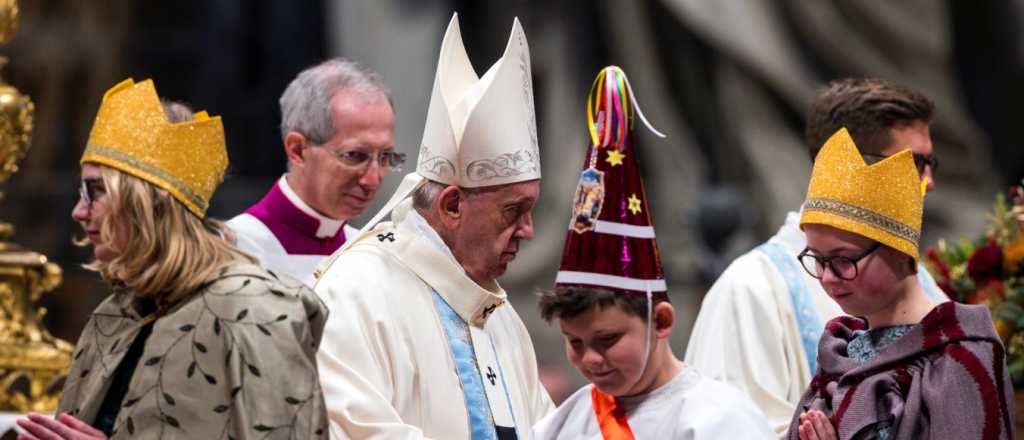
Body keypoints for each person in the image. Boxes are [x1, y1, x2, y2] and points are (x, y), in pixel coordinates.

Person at [16, 79, 328, 439]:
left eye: (95, 190)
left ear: (147, 201)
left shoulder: (256, 309)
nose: (78, 212)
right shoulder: (113, 315)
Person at [313, 14, 553, 439]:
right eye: (513, 211)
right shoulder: (355, 292)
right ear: (453, 205)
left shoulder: (499, 318)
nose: (528, 231)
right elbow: (352, 430)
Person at [684, 78, 947, 433]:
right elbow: (726, 429)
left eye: (930, 163)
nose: (929, 181)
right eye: (915, 163)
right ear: (852, 167)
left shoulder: (916, 280)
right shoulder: (751, 289)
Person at [532, 66, 773, 440]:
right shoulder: (561, 424)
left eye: (607, 340)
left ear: (660, 321)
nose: (589, 359)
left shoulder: (720, 419)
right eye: (575, 342)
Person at [787, 128, 1013, 440]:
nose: (826, 277)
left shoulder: (958, 360)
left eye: (843, 259)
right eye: (818, 259)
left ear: (898, 250)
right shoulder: (839, 354)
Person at [227, 58, 401, 286]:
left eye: (385, 156)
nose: (372, 179)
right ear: (298, 150)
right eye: (354, 155)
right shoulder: (231, 250)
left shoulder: (373, 253)